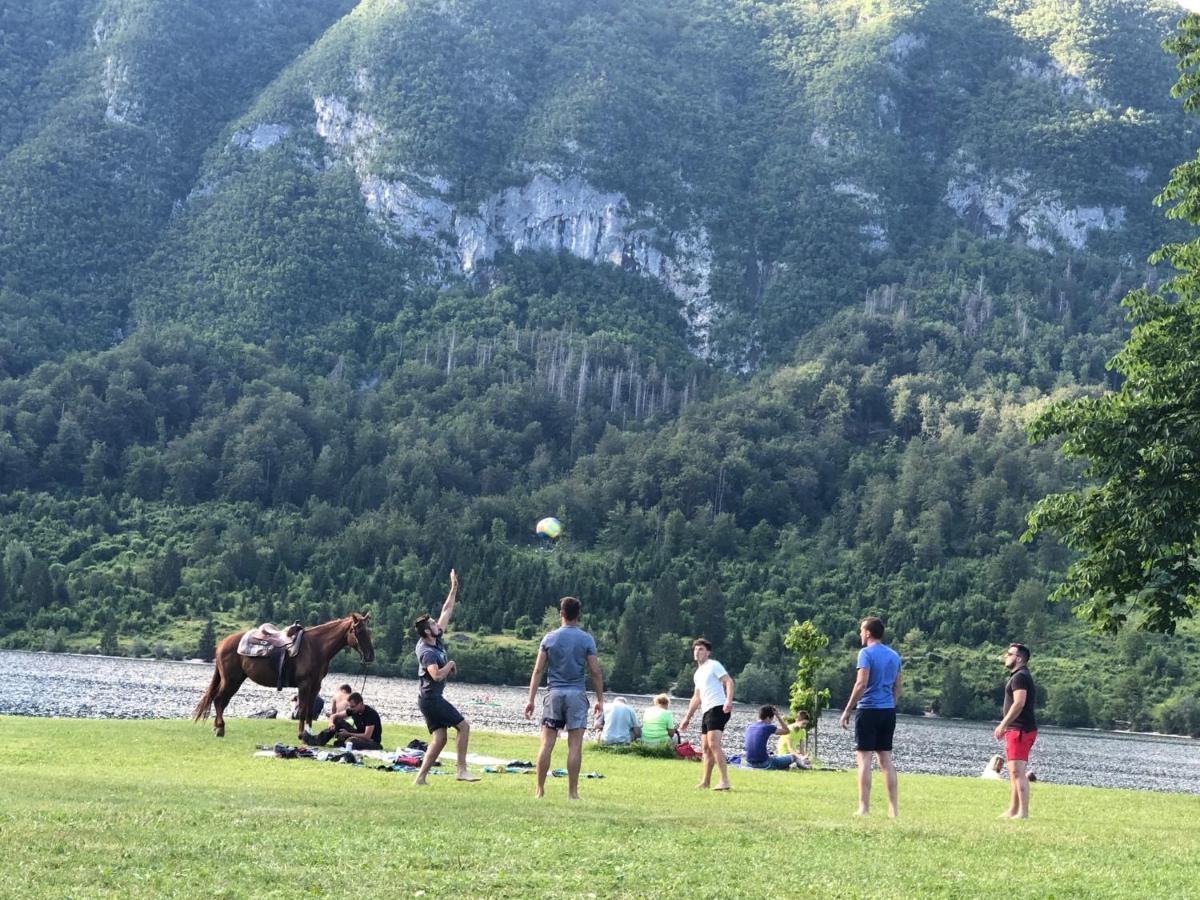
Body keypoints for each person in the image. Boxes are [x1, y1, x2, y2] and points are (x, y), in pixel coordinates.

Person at [524, 596, 605, 800]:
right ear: (578, 615)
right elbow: (595, 672)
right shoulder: (586, 639)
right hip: (576, 694)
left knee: (546, 744)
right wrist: (600, 699)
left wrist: (531, 699)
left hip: (554, 694)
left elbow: (538, 670)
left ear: (561, 614)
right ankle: (572, 793)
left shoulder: (549, 638)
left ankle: (540, 790)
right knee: (575, 745)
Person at [412, 569, 480, 785]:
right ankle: (461, 770)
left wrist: (454, 588)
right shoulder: (427, 651)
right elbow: (436, 675)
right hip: (431, 699)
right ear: (426, 633)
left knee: (440, 738)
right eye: (433, 625)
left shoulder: (436, 640)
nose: (437, 625)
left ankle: (420, 778)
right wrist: (450, 664)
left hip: (429, 699)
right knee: (464, 726)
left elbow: (446, 609)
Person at [839, 616, 901, 817]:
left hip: (868, 710)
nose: (860, 633)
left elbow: (861, 683)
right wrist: (891, 703)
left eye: (861, 630)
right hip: (887, 710)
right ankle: (893, 809)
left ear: (868, 632)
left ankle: (864, 807)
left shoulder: (865, 654)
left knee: (864, 759)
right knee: (885, 759)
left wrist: (848, 709)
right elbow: (897, 686)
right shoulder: (894, 656)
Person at [679, 638, 734, 791]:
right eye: (695, 649)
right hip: (707, 710)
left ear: (708, 652)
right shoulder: (697, 673)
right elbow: (696, 697)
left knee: (713, 744)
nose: (697, 652)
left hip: (718, 707)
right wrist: (687, 718)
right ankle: (706, 782)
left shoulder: (713, 665)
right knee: (705, 748)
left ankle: (724, 781)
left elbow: (728, 682)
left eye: (701, 649)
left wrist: (728, 700)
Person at [994, 642, 1037, 818]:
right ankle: (1013, 810)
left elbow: (1019, 703)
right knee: (1014, 771)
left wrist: (1003, 724)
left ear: (1018, 658)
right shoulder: (1020, 675)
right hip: (1018, 729)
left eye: (1009, 654)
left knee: (1018, 772)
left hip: (1020, 730)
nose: (1006, 656)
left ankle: (1023, 813)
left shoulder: (1020, 677)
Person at [306, 691, 382, 750]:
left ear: (361, 704)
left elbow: (367, 736)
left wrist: (348, 733)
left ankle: (342, 743)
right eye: (350, 706)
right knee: (338, 721)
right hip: (357, 735)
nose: (351, 709)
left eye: (353, 706)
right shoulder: (353, 710)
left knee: (351, 741)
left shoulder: (371, 714)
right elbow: (334, 716)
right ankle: (317, 740)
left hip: (372, 742)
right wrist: (331, 723)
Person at [743, 705, 796, 770]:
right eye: (772, 719)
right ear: (768, 718)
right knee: (794, 756)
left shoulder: (750, 727)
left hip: (749, 763)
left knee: (774, 758)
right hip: (764, 764)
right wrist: (778, 716)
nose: (771, 721)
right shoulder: (768, 726)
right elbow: (786, 731)